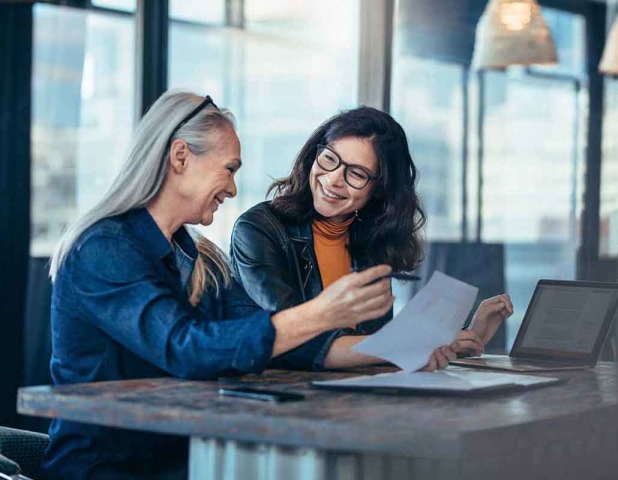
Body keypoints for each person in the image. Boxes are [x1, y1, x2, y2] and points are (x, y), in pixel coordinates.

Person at [42, 92, 406, 479]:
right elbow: (186, 348)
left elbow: (277, 345)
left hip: (186, 460)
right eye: (229, 169)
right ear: (180, 157)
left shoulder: (204, 260)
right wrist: (321, 312)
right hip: (106, 470)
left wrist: (407, 349)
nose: (233, 189)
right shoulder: (103, 249)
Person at [230, 106, 513, 371]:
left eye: (356, 173)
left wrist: (461, 339)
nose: (333, 179)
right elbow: (293, 335)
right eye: (329, 158)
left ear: (379, 189)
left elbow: (374, 347)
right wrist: (409, 346)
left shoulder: (371, 240)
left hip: (351, 398)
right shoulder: (259, 228)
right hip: (278, 399)